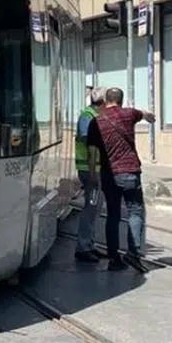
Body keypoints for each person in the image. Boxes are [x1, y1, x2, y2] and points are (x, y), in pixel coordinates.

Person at [86, 87, 156, 272]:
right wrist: (149, 116)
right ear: (121, 101)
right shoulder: (128, 114)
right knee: (135, 212)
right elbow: (143, 114)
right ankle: (133, 254)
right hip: (130, 171)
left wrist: (93, 175)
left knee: (113, 215)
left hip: (109, 175)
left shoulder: (96, 122)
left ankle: (114, 259)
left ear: (105, 101)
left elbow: (92, 152)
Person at [74, 89, 106, 263]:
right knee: (90, 207)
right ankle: (83, 247)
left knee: (94, 208)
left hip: (95, 169)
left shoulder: (94, 115)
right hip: (89, 170)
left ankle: (90, 244)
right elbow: (90, 143)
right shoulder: (88, 116)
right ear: (101, 103)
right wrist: (93, 172)